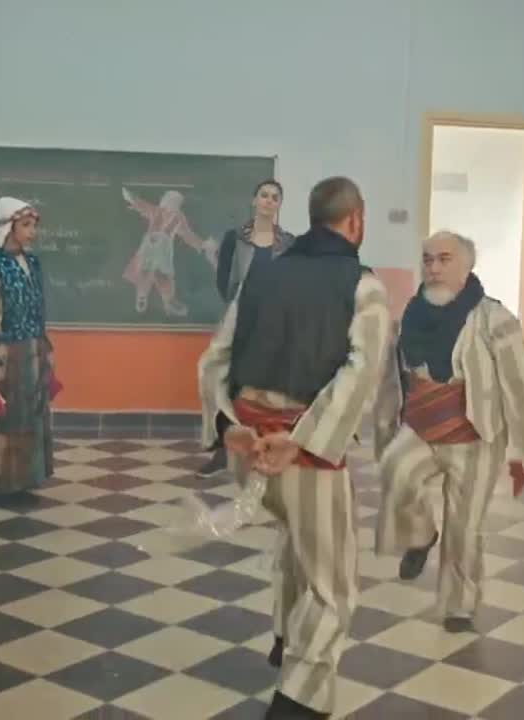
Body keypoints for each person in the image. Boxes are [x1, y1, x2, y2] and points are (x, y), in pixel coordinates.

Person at [197, 177, 389, 720]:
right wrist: (303, 440)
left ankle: (285, 636)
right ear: (356, 220)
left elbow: (215, 358)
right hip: (299, 454)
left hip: (249, 450)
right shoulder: (363, 285)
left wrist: (227, 424)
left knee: (294, 541)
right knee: (334, 586)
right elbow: (362, 374)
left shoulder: (262, 274)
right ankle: (298, 701)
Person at [373, 231, 524, 633]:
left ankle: (459, 607)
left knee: (464, 529)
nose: (433, 268)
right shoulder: (411, 314)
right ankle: (421, 536)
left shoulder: (493, 318)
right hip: (421, 425)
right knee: (395, 472)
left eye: (444, 259)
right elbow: (391, 378)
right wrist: (384, 428)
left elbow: (521, 387)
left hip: (474, 435)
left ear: (466, 267)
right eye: (427, 259)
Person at [197, 179, 296, 478]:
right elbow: (223, 279)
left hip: (273, 325)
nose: (269, 201)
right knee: (221, 378)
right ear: (254, 200)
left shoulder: (289, 243)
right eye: (264, 195)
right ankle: (221, 448)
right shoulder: (235, 238)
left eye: (275, 197)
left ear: (279, 205)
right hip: (239, 320)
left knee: (262, 388)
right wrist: (237, 305)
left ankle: (263, 449)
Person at [0, 197, 55, 494]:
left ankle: (28, 477)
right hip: (8, 349)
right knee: (9, 413)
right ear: (9, 227)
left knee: (33, 411)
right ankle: (4, 480)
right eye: (26, 225)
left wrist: (44, 345)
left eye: (34, 226)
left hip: (34, 346)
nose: (32, 232)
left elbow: (39, 306)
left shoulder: (33, 262)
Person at [122, 188, 219, 316]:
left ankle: (159, 299)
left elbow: (188, 235)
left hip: (158, 245)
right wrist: (202, 245)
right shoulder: (165, 213)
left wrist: (203, 245)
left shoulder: (171, 215)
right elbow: (188, 236)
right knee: (151, 272)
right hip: (157, 245)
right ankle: (152, 298)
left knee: (155, 272)